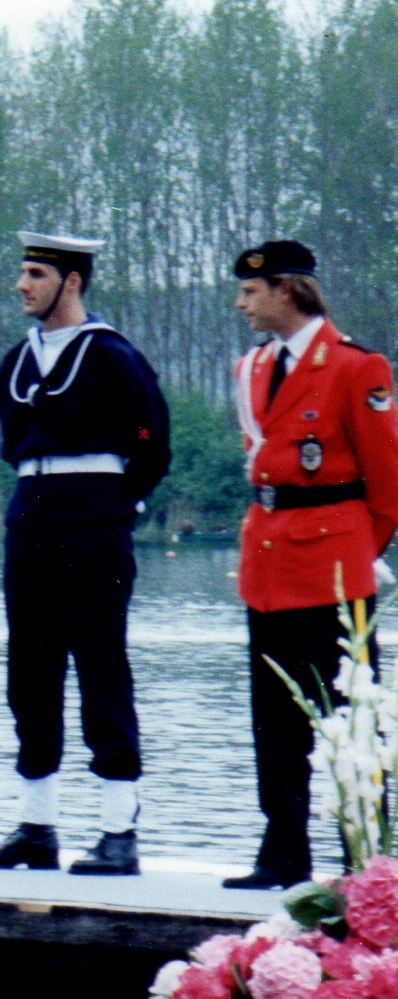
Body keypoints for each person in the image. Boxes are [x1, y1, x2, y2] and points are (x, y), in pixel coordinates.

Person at [0, 232, 170, 876]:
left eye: (34, 274)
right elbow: (12, 430)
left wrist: (117, 500)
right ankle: (37, 826)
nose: (22, 285)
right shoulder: (16, 361)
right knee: (29, 671)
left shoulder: (112, 357)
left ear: (71, 281)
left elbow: (148, 435)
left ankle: (118, 831)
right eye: (22, 272)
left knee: (101, 666)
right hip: (31, 516)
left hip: (94, 518)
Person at [223, 240, 398, 889]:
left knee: (348, 722)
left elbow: (386, 487)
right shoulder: (251, 369)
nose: (241, 303)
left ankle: (365, 864)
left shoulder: (355, 366)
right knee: (272, 717)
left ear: (287, 290)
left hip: (331, 571)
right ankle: (282, 851)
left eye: (251, 291)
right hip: (267, 565)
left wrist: (351, 553)